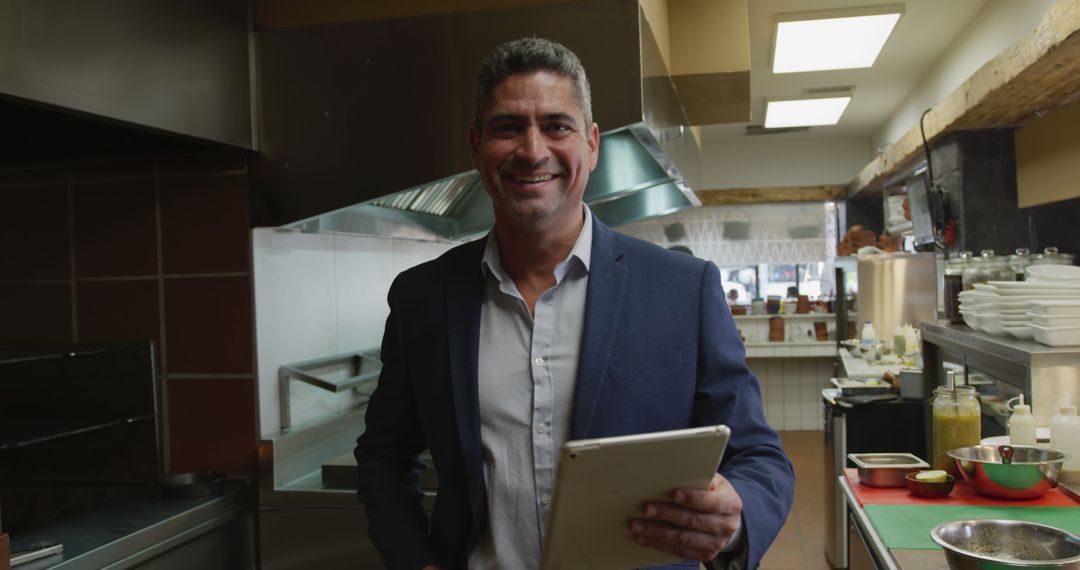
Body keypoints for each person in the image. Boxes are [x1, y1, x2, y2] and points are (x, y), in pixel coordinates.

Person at [355, 37, 794, 570]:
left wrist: (736, 516)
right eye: (507, 127)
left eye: (556, 126)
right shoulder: (423, 298)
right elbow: (384, 455)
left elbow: (758, 456)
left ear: (591, 144)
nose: (532, 149)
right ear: (476, 147)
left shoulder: (683, 290)